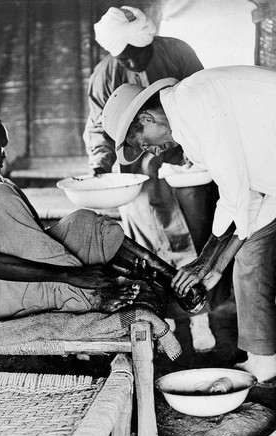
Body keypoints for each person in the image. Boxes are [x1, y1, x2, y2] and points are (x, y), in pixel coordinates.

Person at [101, 65, 276, 436]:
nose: (151, 151)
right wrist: (213, 266)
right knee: (249, 255)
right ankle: (263, 362)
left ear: (146, 118)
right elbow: (249, 195)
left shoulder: (193, 101)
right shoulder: (186, 118)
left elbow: (234, 197)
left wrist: (206, 262)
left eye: (143, 141)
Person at [0, 108, 190, 321]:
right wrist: (73, 275)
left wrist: (79, 258)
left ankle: (174, 279)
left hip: (4, 278)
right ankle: (91, 295)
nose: (4, 155)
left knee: (84, 221)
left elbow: (36, 240)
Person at [83, 5, 229, 352]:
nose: (133, 63)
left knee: (192, 245)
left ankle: (199, 317)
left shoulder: (177, 52)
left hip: (185, 169)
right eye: (125, 57)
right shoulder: (105, 76)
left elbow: (203, 100)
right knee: (150, 255)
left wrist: (193, 148)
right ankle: (166, 325)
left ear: (151, 40)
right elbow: (98, 127)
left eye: (139, 53)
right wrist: (102, 166)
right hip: (139, 177)